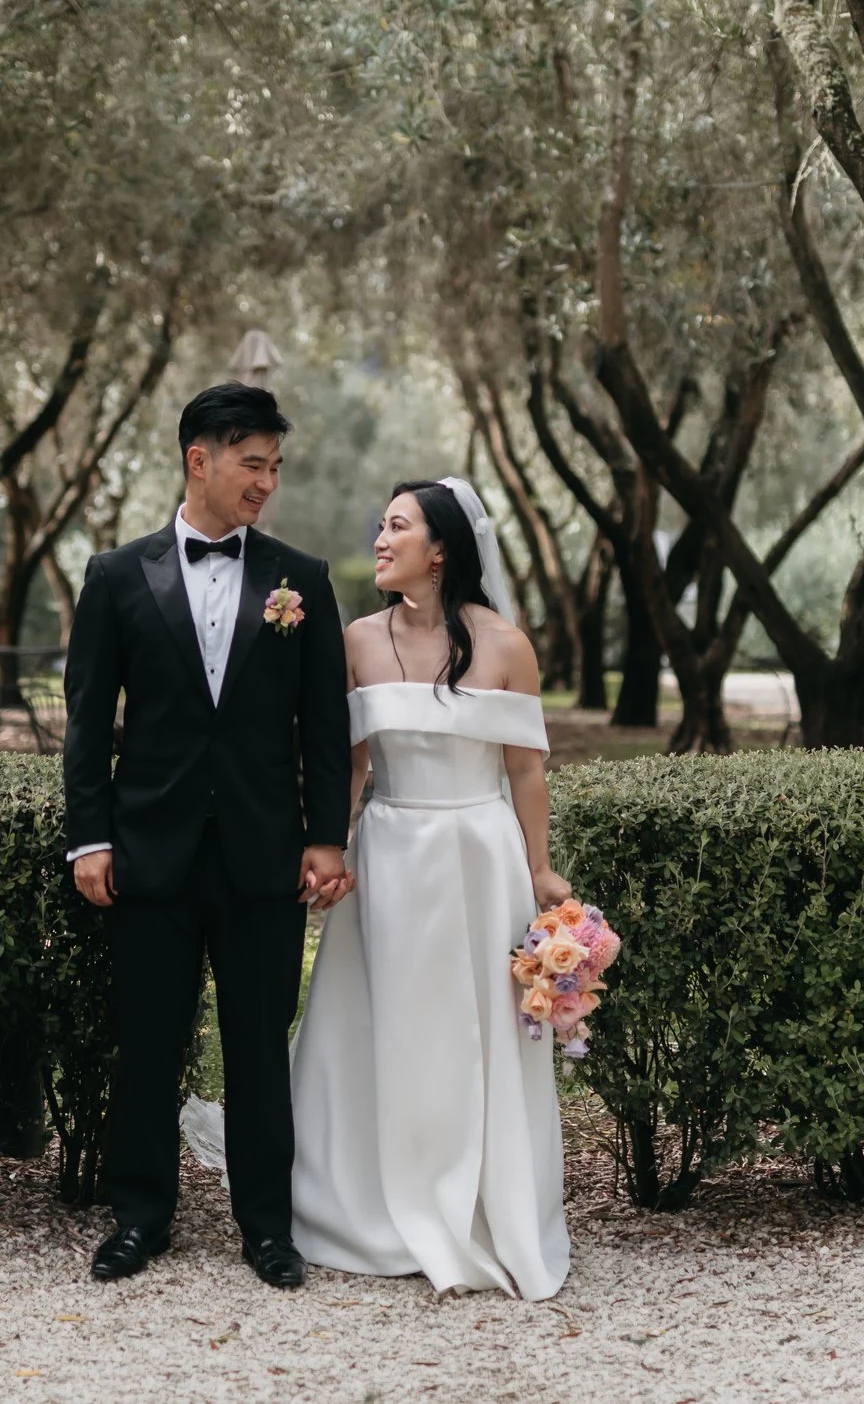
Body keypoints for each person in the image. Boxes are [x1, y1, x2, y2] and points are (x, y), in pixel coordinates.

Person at [62, 382, 352, 1290]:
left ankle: (268, 1225)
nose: (266, 482)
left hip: (265, 854)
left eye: (274, 466)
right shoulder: (115, 575)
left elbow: (325, 724)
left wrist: (326, 835)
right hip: (149, 850)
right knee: (148, 1041)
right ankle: (140, 1216)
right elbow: (84, 721)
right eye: (252, 463)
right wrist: (89, 838)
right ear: (201, 459)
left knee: (261, 1046)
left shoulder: (301, 578)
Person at [287, 477, 573, 1300]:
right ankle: (368, 1199)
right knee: (382, 1019)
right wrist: (331, 848)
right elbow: (354, 761)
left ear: (441, 548)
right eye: (380, 525)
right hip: (389, 853)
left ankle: (485, 1199)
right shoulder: (357, 639)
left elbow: (526, 768)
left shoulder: (507, 645)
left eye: (397, 526)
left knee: (474, 1025)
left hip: (481, 856)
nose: (379, 539)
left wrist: (540, 867)